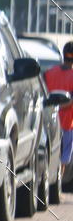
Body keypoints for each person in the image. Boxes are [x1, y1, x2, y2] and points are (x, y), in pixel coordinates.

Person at [44, 41, 73, 180]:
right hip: (67, 124)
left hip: (48, 120)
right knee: (63, 157)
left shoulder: (49, 72)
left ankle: (51, 181)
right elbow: (70, 102)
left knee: (49, 153)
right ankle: (58, 183)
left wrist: (53, 107)